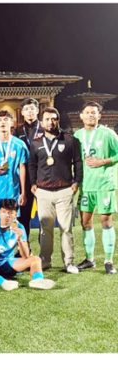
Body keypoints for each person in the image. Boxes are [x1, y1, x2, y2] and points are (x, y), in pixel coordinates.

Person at [28, 107, 83, 272]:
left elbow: (78, 162)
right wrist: (33, 184)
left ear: (58, 120)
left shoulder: (70, 140)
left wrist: (77, 182)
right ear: (42, 121)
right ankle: (45, 260)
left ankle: (69, 262)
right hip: (43, 191)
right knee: (46, 229)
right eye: (47, 119)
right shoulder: (36, 142)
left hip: (64, 190)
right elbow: (32, 164)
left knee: (66, 228)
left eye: (54, 119)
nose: (50, 122)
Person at [73, 101, 118, 273]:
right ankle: (90, 259)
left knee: (106, 221)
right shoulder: (77, 135)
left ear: (99, 115)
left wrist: (103, 161)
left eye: (94, 112)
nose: (91, 115)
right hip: (86, 186)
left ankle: (108, 261)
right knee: (85, 222)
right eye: (88, 112)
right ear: (81, 115)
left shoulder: (108, 133)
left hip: (104, 185)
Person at [0, 199, 55, 291]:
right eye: (4, 212)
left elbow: (25, 255)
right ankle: (3, 282)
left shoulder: (19, 227)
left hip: (9, 262)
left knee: (36, 259)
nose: (7, 216)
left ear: (15, 214)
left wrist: (20, 239)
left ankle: (38, 280)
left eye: (10, 213)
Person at [0, 110, 29, 218]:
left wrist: (23, 192)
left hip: (11, 189)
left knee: (11, 225)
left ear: (12, 123)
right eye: (0, 120)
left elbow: (22, 167)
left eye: (6, 120)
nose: (3, 122)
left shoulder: (19, 144)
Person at [14, 98, 44, 237]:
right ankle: (23, 248)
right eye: (27, 109)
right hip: (24, 177)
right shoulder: (17, 130)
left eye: (32, 109)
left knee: (44, 214)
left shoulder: (45, 128)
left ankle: (44, 249)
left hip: (42, 175)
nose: (30, 112)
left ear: (37, 110)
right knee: (23, 215)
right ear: (23, 112)